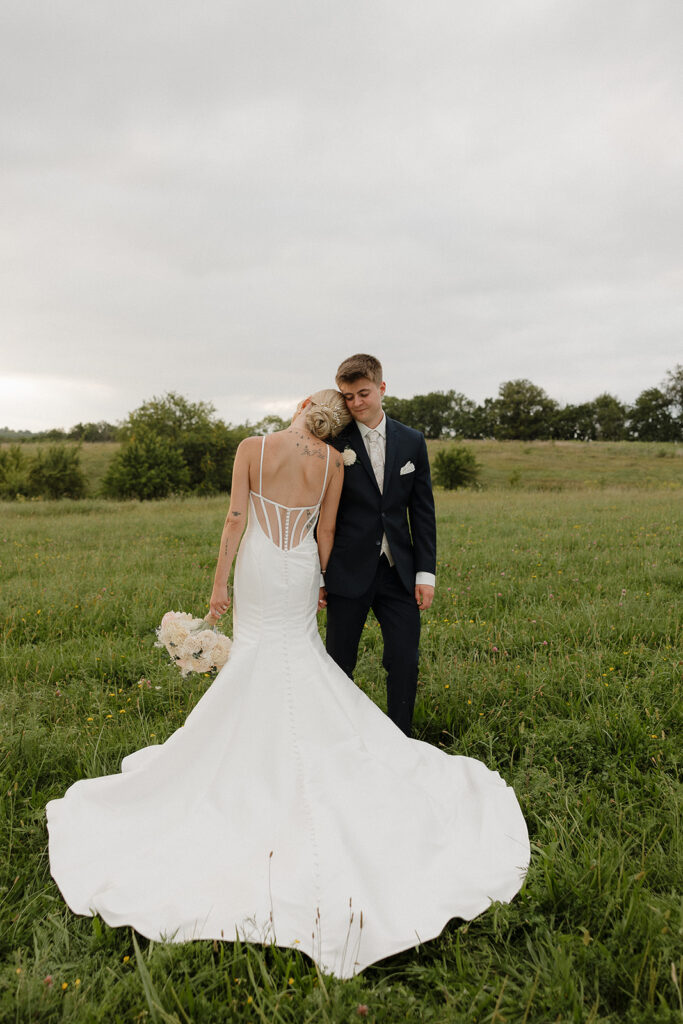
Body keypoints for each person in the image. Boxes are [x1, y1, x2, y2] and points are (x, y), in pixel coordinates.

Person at [47, 387, 529, 980]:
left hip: (256, 566)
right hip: (299, 568)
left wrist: (219, 586)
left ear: (300, 407)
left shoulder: (252, 446)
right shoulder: (332, 462)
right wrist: (322, 579)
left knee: (255, 655)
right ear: (330, 422)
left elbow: (234, 518)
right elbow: (325, 536)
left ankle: (246, 759)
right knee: (299, 657)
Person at [324, 354, 436, 736]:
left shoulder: (412, 441)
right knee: (338, 662)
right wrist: (319, 574)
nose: (356, 403)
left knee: (404, 658)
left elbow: (422, 512)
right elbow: (317, 512)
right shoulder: (332, 443)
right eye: (348, 396)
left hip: (398, 573)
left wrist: (425, 573)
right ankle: (338, 737)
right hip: (346, 570)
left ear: (382, 388)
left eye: (363, 394)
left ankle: (401, 737)